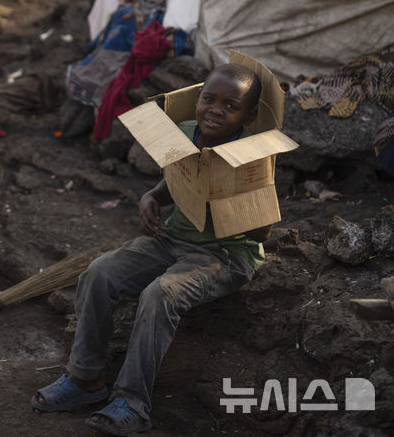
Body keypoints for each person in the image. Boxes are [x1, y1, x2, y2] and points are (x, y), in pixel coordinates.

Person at [31, 63, 273, 436]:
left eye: (230, 106)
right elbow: (174, 180)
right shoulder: (186, 133)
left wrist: (223, 197)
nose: (215, 110)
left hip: (224, 254)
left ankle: (132, 402)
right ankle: (85, 380)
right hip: (173, 239)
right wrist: (151, 197)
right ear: (197, 99)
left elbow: (263, 231)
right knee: (99, 273)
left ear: (249, 115)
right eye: (209, 99)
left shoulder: (252, 156)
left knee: (160, 293)